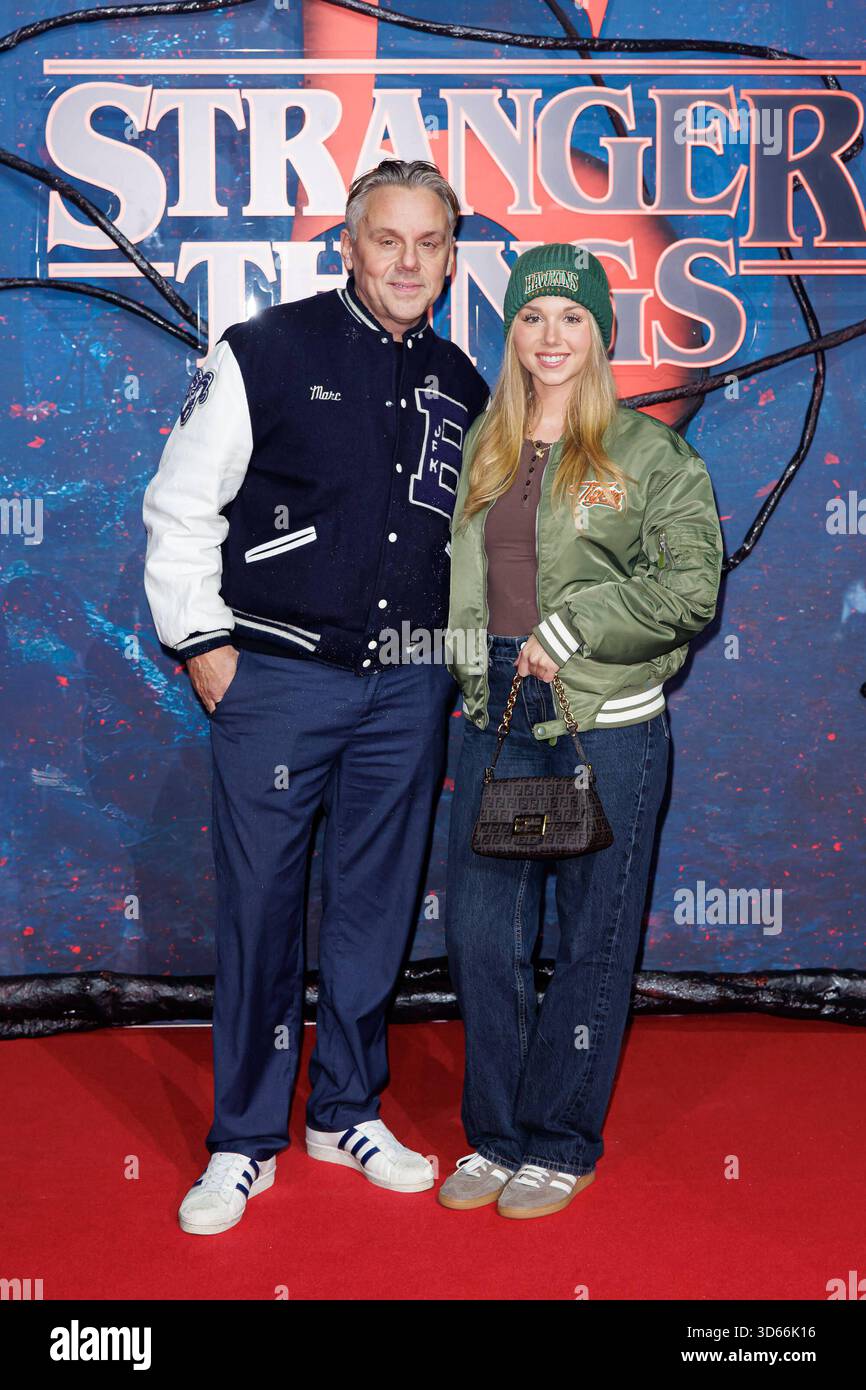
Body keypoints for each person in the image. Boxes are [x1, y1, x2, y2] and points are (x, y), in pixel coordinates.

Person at [142, 158, 489, 1235]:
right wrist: (204, 646)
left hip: (408, 686)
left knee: (376, 908)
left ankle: (345, 1112)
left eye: (428, 244)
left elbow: (480, 543)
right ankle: (243, 1140)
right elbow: (181, 505)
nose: (407, 262)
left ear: (448, 258)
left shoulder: (461, 382)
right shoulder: (265, 349)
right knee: (259, 911)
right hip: (276, 680)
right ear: (348, 244)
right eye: (387, 239)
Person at [438, 243, 723, 1219]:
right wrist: (463, 666)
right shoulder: (484, 446)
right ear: (511, 330)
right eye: (531, 316)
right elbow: (461, 582)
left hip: (602, 725)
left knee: (591, 941)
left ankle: (559, 1140)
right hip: (500, 718)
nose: (549, 335)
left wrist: (577, 626)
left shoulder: (651, 453)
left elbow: (689, 589)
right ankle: (496, 1135)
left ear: (600, 332)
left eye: (570, 317)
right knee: (483, 940)